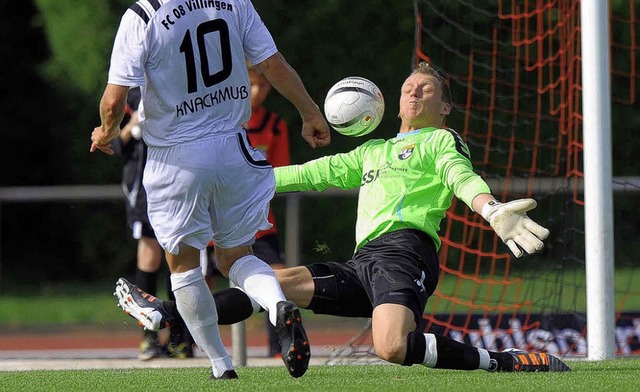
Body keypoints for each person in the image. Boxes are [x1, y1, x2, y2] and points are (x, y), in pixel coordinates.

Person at [114, 62, 570, 373]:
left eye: (425, 88)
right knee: (272, 284)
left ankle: (501, 361)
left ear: (444, 107)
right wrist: (241, 177)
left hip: (405, 255)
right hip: (362, 262)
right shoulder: (373, 151)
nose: (414, 90)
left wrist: (490, 209)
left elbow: (460, 176)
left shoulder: (440, 142)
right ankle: (168, 316)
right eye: (408, 87)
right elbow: (312, 172)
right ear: (395, 102)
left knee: (390, 348)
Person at [90, 0, 331, 380]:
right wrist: (310, 112)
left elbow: (114, 99)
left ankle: (221, 366)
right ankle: (278, 306)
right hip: (234, 148)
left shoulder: (142, 15)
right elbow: (273, 65)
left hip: (176, 158)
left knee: (182, 267)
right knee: (237, 257)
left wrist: (105, 131)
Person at [202, 64, 291, 357]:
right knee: (195, 281)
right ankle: (186, 346)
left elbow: (280, 176)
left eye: (262, 86)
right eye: (249, 84)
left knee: (276, 277)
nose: (255, 92)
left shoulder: (276, 126)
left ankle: (281, 347)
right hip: (213, 225)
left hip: (259, 226)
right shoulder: (214, 122)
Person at [112, 87, 195, 360]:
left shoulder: (178, 81)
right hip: (145, 190)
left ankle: (180, 338)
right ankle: (149, 337)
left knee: (180, 255)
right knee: (150, 256)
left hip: (180, 179)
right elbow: (115, 145)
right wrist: (133, 123)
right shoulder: (130, 91)